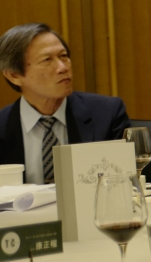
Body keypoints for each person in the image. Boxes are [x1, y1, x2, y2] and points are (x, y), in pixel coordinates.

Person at [0, 23, 129, 184]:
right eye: (47, 60)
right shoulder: (2, 126)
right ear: (14, 75)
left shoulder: (107, 114)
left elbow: (124, 183)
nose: (62, 67)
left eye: (63, 56)